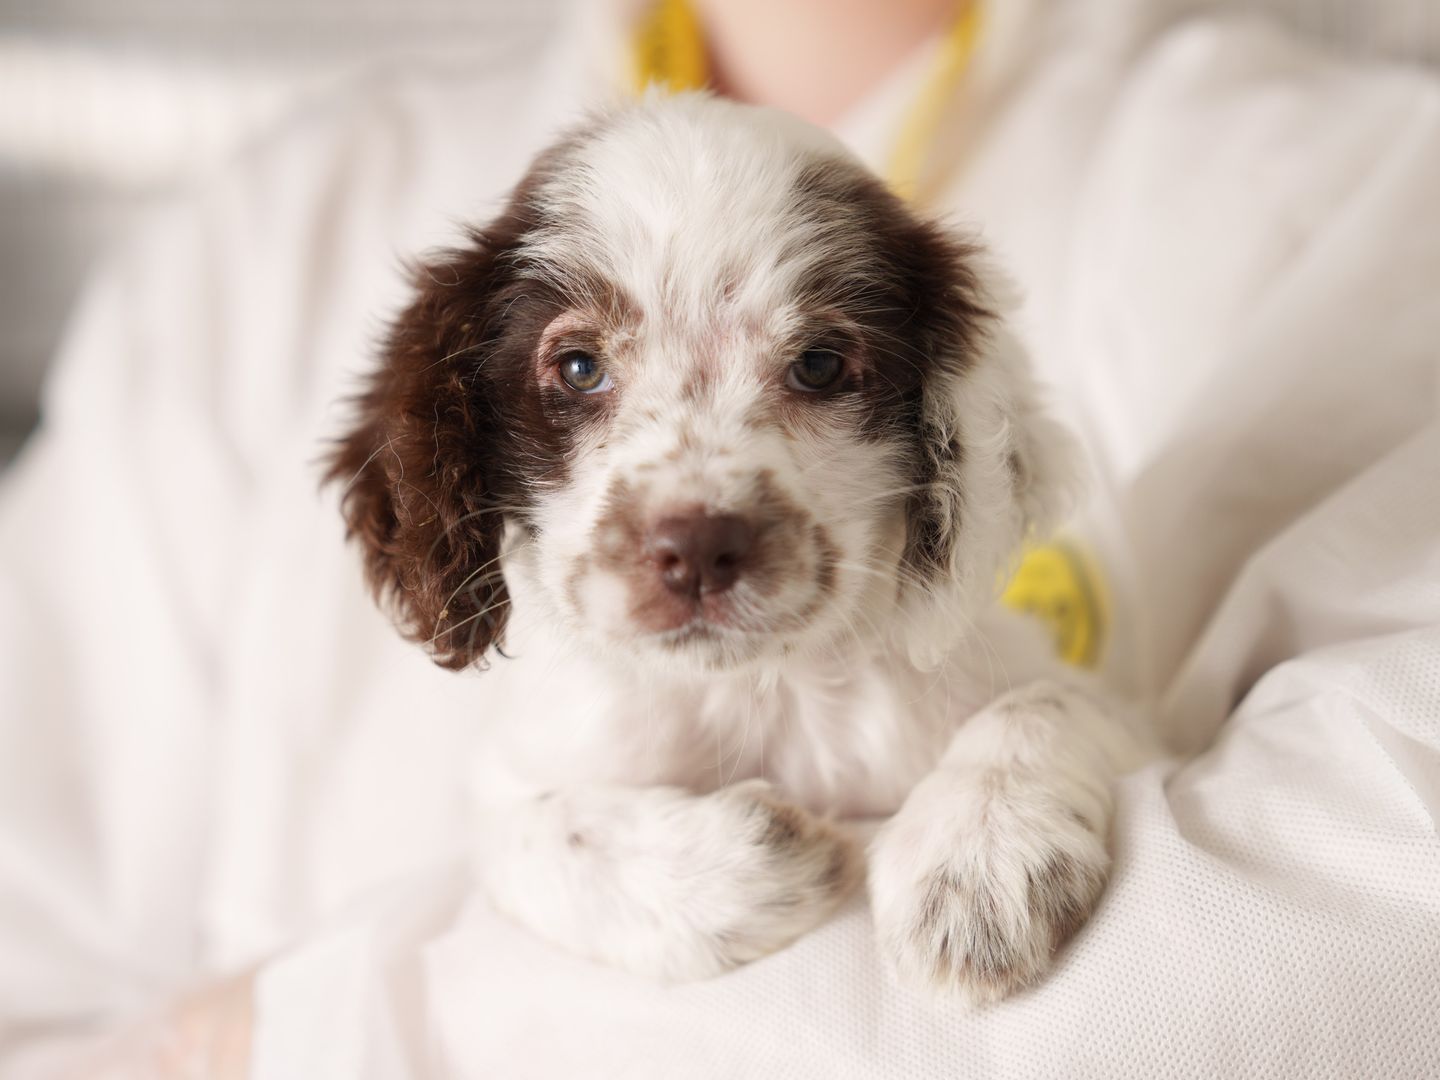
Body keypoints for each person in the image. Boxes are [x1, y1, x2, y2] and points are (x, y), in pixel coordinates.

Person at [3, 0, 1438, 1075]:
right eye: (579, 369)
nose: (687, 511)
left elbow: (1377, 918)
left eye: (818, 370)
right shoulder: (267, 227)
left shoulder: (1377, 181)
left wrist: (314, 1031)